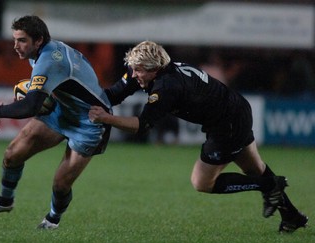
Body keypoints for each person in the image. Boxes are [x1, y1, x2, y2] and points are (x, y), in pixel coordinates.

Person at [89, 41, 308, 233]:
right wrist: (84, 101)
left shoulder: (168, 87)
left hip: (227, 124)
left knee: (202, 182)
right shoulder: (148, 72)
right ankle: (291, 216)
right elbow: (114, 93)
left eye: (138, 70)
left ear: (154, 69)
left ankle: (268, 185)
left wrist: (107, 119)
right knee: (254, 168)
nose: (134, 74)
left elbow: (142, 125)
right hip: (236, 109)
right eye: (133, 69)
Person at [0, 15, 112, 229]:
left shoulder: (49, 61)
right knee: (13, 153)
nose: (16, 46)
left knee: (61, 184)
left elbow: (30, 107)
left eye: (22, 40)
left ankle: (52, 220)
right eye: (15, 39)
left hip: (90, 121)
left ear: (38, 40)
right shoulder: (42, 52)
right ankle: (5, 201)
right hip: (62, 109)